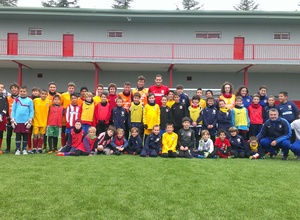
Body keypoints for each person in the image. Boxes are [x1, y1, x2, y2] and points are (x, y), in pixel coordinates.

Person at [11, 86, 34, 155]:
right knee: (18, 136)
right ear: (19, 92)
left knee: (25, 136)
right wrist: (13, 119)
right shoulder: (16, 100)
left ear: (27, 92)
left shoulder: (30, 100)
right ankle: (17, 149)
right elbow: (13, 110)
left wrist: (30, 119)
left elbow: (31, 111)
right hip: (17, 121)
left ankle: (24, 149)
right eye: (21, 91)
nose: (22, 93)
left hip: (26, 122)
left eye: (24, 91)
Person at [32, 89, 50, 153]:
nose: (44, 95)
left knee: (42, 135)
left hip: (44, 121)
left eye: (45, 94)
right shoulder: (35, 100)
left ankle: (39, 148)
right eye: (42, 94)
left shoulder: (48, 102)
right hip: (36, 120)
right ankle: (34, 148)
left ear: (47, 95)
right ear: (40, 94)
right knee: (35, 135)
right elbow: (32, 109)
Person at [4, 83, 19, 153]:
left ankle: (17, 148)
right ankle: (8, 148)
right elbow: (6, 108)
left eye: (15, 88)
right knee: (9, 134)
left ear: (18, 89)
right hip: (10, 119)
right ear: (10, 89)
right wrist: (7, 118)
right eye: (12, 88)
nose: (14, 89)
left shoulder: (20, 98)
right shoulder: (8, 98)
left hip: (18, 119)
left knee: (17, 134)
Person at [60, 82, 76, 146]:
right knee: (64, 132)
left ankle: (70, 144)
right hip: (65, 117)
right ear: (67, 88)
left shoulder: (75, 96)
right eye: (70, 88)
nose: (71, 89)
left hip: (72, 117)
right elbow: (60, 105)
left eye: (72, 88)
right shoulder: (63, 95)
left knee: (72, 132)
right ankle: (63, 145)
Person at [0, 83, 8, 153]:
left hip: (2, 117)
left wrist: (1, 115)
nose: (0, 88)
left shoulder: (5, 97)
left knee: (1, 133)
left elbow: (6, 107)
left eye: (2, 87)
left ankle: (0, 148)